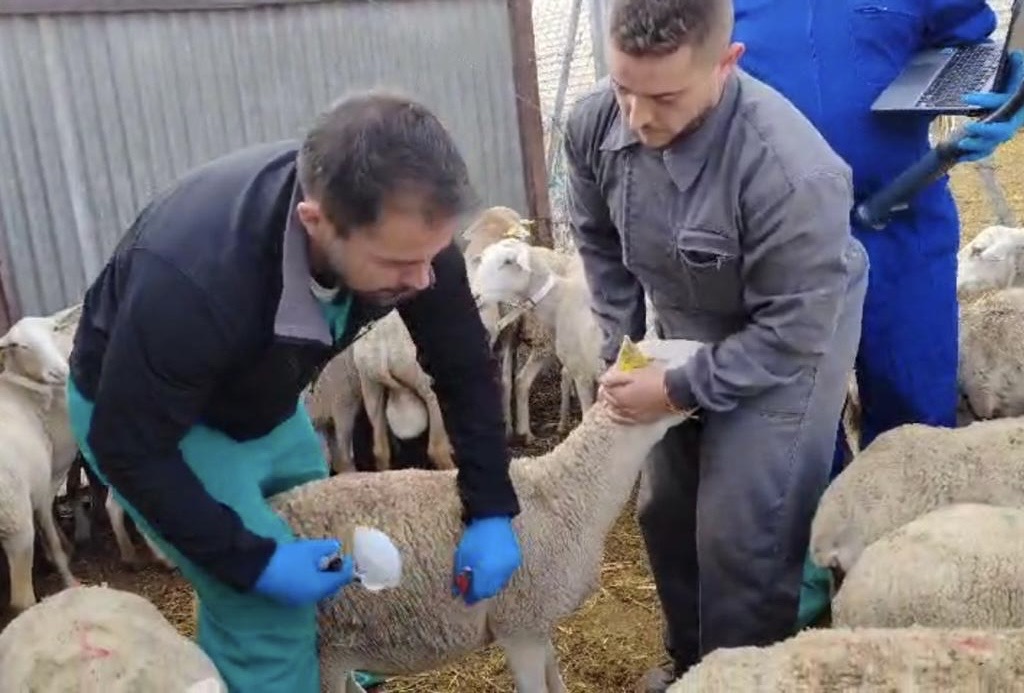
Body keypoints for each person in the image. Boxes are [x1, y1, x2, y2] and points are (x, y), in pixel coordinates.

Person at [64, 91, 524, 693]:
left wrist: (491, 503)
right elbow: (128, 444)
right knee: (261, 606)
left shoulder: (411, 237)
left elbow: (462, 365)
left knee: (325, 533)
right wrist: (253, 562)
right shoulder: (194, 277)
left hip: (261, 393)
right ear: (316, 222)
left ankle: (331, 671)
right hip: (150, 420)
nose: (422, 281)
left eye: (432, 256)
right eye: (396, 264)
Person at [562, 0, 869, 689]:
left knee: (741, 527)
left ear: (726, 65)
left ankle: (742, 674)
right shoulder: (593, 126)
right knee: (665, 507)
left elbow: (791, 334)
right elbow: (598, 241)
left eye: (665, 96)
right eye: (623, 87)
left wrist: (674, 388)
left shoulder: (792, 172)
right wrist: (622, 348)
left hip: (788, 336)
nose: (638, 118)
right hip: (682, 321)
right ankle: (691, 659)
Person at [730, 0, 1024, 629]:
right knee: (796, 427)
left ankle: (922, 606)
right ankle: (815, 610)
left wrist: (1000, 89)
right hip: (779, 234)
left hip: (903, 215)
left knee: (916, 422)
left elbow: (968, 39)